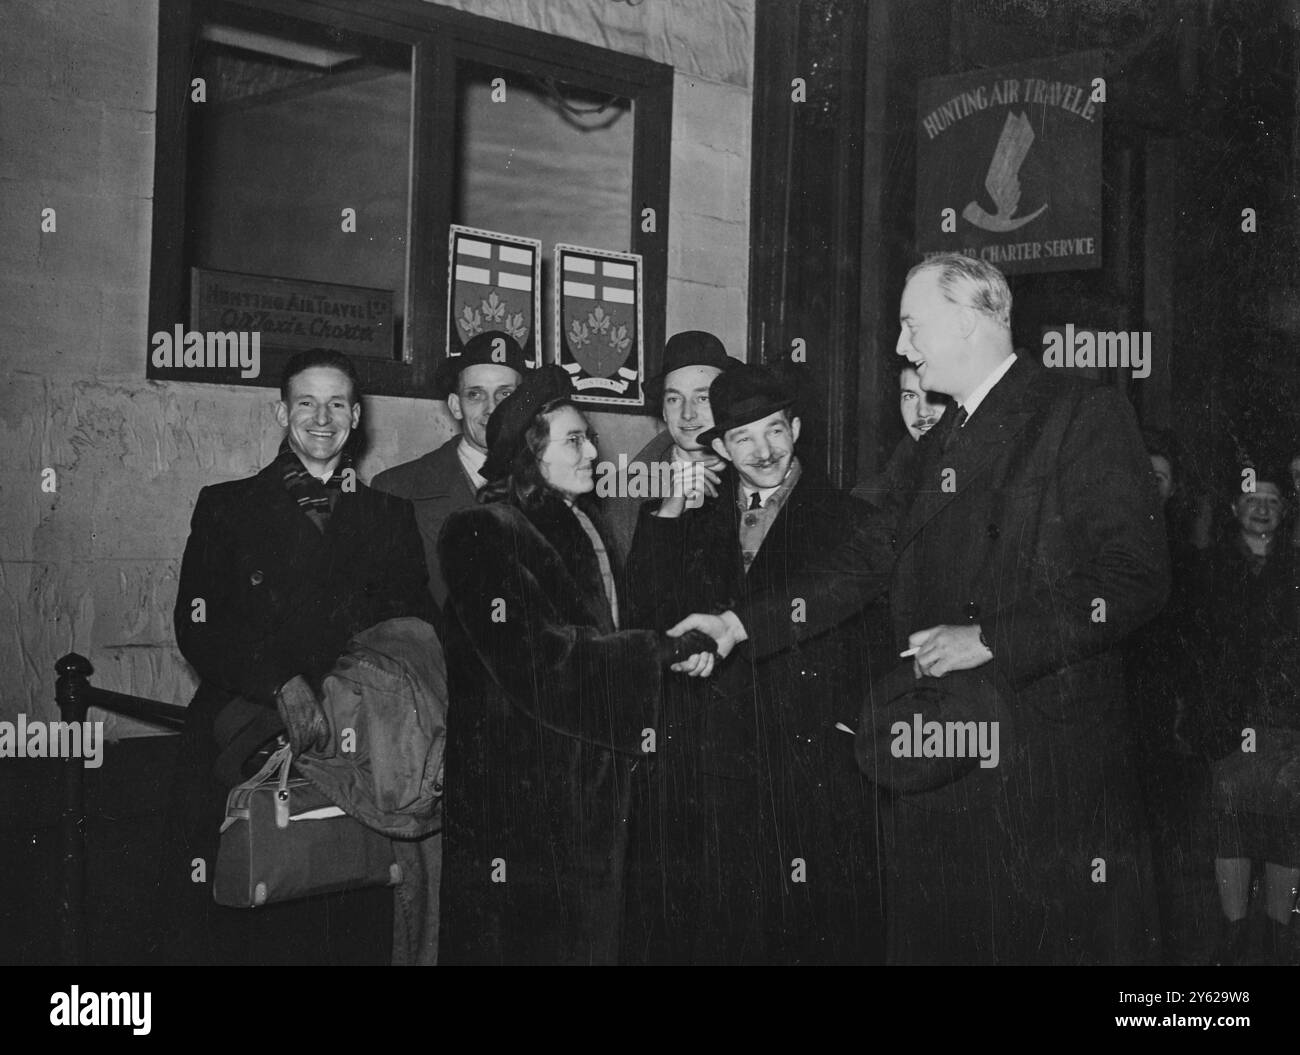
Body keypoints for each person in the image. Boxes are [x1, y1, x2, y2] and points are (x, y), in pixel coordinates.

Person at [862, 252, 1169, 964]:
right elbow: (865, 548)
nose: (902, 348)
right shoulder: (940, 435)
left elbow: (1134, 578)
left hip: (1044, 769)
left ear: (968, 324)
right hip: (949, 752)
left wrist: (991, 637)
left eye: (913, 326)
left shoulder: (1081, 411)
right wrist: (743, 621)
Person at [435, 365, 721, 965]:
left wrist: (672, 643)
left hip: (578, 784)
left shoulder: (575, 521)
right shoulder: (480, 530)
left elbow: (610, 627)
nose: (593, 450)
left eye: (588, 436)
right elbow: (540, 661)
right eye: (574, 440)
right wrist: (656, 653)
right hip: (520, 803)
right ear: (530, 454)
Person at [162, 348, 436, 965]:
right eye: (306, 402)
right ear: (281, 411)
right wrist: (279, 681)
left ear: (357, 415)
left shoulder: (389, 516)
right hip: (245, 733)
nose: (321, 417)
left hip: (355, 743)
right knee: (246, 922)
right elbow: (198, 624)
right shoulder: (226, 506)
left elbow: (412, 630)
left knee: (343, 911)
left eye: (337, 403)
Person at [624, 364, 888, 963]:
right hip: (707, 758)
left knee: (798, 930)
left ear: (796, 427)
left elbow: (865, 638)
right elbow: (645, 613)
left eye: (775, 430)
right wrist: (667, 510)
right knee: (713, 927)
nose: (764, 451)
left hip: (805, 760)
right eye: (743, 438)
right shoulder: (687, 517)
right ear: (718, 446)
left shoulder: (851, 519)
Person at [1193, 468, 1300, 964]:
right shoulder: (1207, 568)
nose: (1263, 508)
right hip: (1228, 714)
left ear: (1285, 513)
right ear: (1234, 509)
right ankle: (1234, 931)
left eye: (1274, 502)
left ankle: (1279, 929)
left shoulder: (1296, 568)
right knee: (1229, 805)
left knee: (1289, 809)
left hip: (1289, 714)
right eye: (1253, 499)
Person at [371, 330, 528, 611]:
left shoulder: (554, 485)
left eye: (505, 394)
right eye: (476, 395)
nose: (492, 409)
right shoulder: (397, 489)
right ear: (456, 406)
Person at [602, 330, 741, 559]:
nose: (687, 414)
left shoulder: (753, 473)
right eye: (674, 399)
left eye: (703, 398)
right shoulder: (623, 493)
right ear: (664, 412)